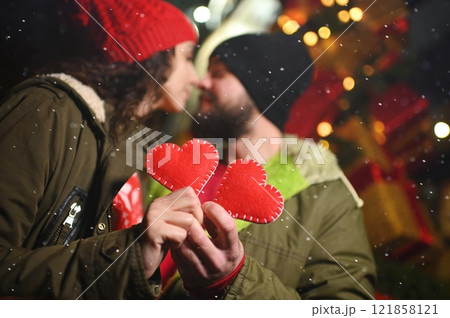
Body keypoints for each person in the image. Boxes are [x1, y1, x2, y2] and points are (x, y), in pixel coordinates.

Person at [0, 0, 203, 299]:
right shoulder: (45, 111)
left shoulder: (125, 142)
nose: (195, 77)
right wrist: (130, 253)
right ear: (152, 56)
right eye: (187, 57)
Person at [162, 32, 377, 299]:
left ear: (261, 88)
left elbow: (343, 305)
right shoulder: (187, 160)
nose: (201, 82)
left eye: (217, 73)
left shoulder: (325, 198)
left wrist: (233, 282)